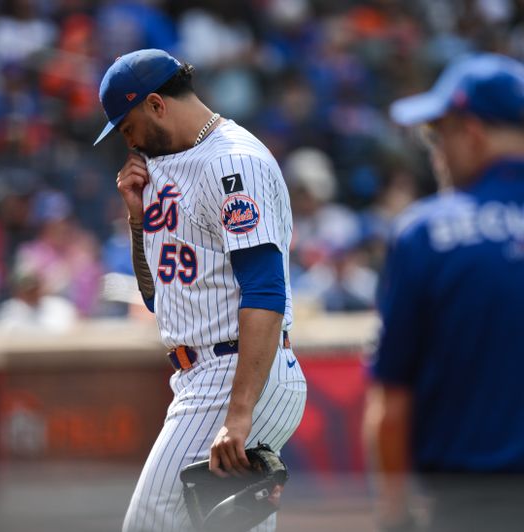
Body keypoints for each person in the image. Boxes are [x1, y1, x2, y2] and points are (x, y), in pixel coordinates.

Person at [95, 49, 307, 532]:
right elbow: (158, 297)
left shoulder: (235, 161)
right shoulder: (162, 166)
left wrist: (238, 415)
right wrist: (136, 220)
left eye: (127, 126)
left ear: (155, 104)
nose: (126, 141)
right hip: (200, 373)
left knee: (148, 524)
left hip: (234, 373)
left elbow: (265, 290)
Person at [364, 53, 524, 532]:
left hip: (466, 507)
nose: (434, 153)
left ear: (471, 133)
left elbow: (391, 407)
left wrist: (395, 518)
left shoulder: (425, 234)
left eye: (437, 135)